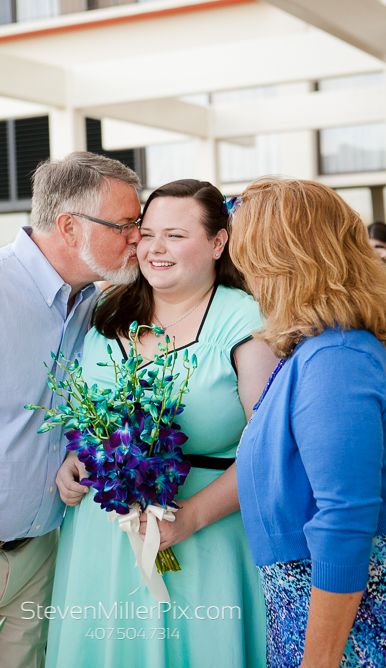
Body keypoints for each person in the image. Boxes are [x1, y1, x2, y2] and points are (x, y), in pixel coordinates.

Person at [0, 151, 141, 668]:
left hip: (38, 557)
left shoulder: (93, 302)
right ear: (69, 227)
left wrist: (76, 453)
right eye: (126, 224)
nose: (138, 236)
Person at [46, 179, 279, 668]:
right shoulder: (107, 312)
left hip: (203, 535)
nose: (154, 248)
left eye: (175, 235)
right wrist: (79, 456)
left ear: (219, 243)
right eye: (146, 233)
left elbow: (270, 451)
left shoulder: (248, 323)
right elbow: (93, 412)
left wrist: (190, 516)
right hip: (101, 533)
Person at [229, 178, 386, 668]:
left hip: (342, 622)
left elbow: (346, 519)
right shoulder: (318, 349)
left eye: (243, 251)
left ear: (276, 259)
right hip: (311, 608)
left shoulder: (336, 356)